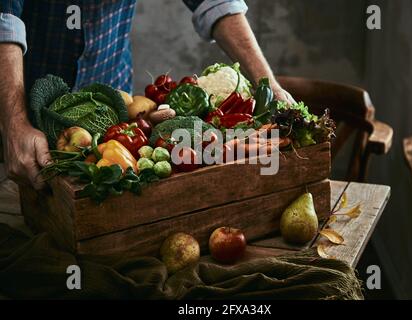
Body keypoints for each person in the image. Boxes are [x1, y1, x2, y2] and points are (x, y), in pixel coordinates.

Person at [0, 0, 295, 190]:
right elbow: (5, 17)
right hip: (16, 111)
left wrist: (268, 84)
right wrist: (14, 123)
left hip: (113, 107)